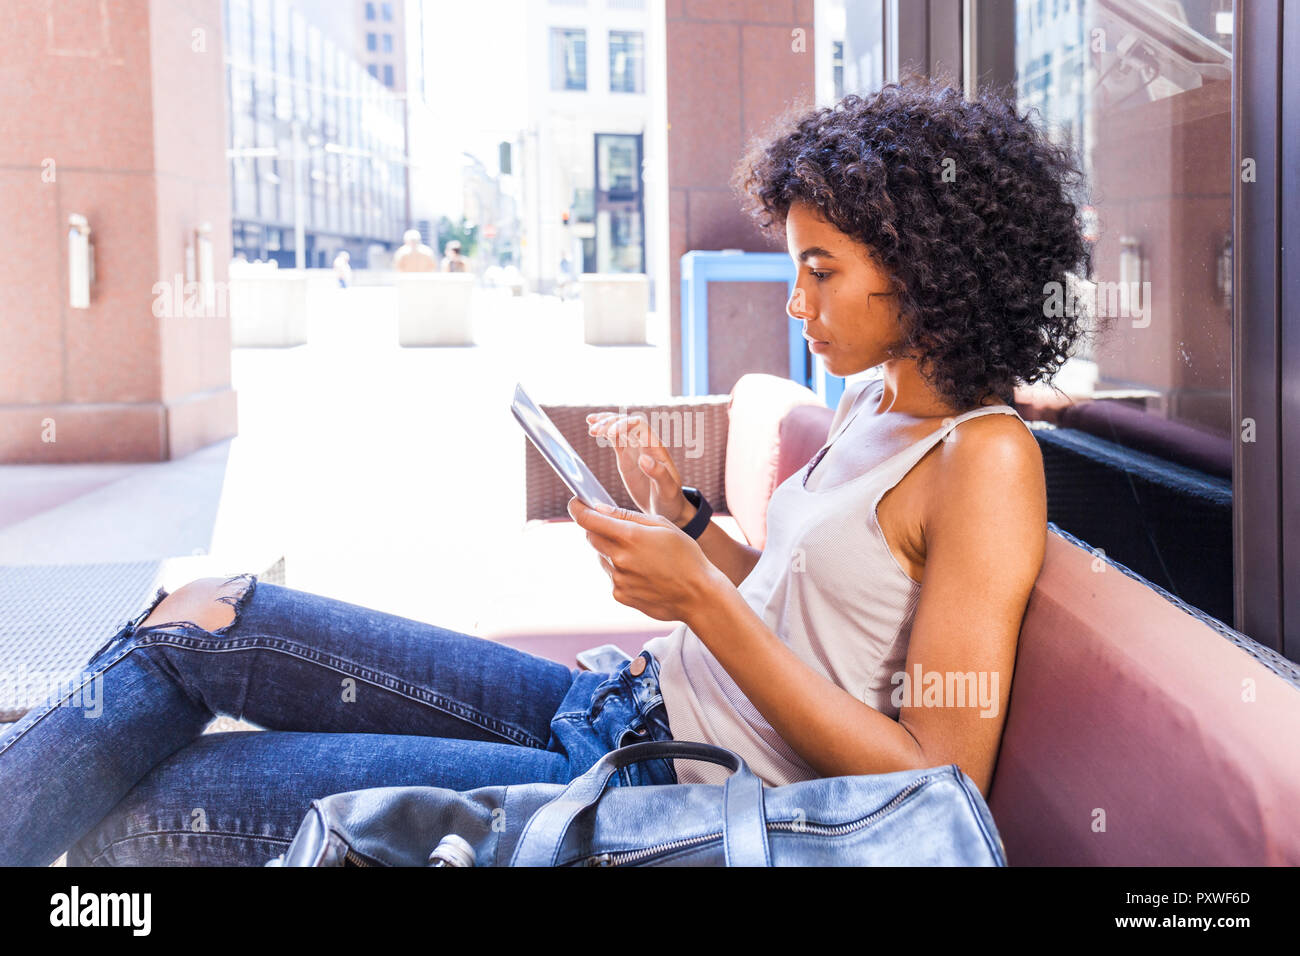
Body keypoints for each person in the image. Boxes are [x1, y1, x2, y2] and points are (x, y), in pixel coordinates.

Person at [0, 78, 1091, 865]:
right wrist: (690, 521)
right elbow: (806, 605)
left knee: (158, 805)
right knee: (205, 615)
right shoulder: (878, 396)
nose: (796, 302)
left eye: (821, 269)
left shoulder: (984, 460)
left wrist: (700, 599)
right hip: (621, 702)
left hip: (665, 794)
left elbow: (929, 781)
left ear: (928, 272)